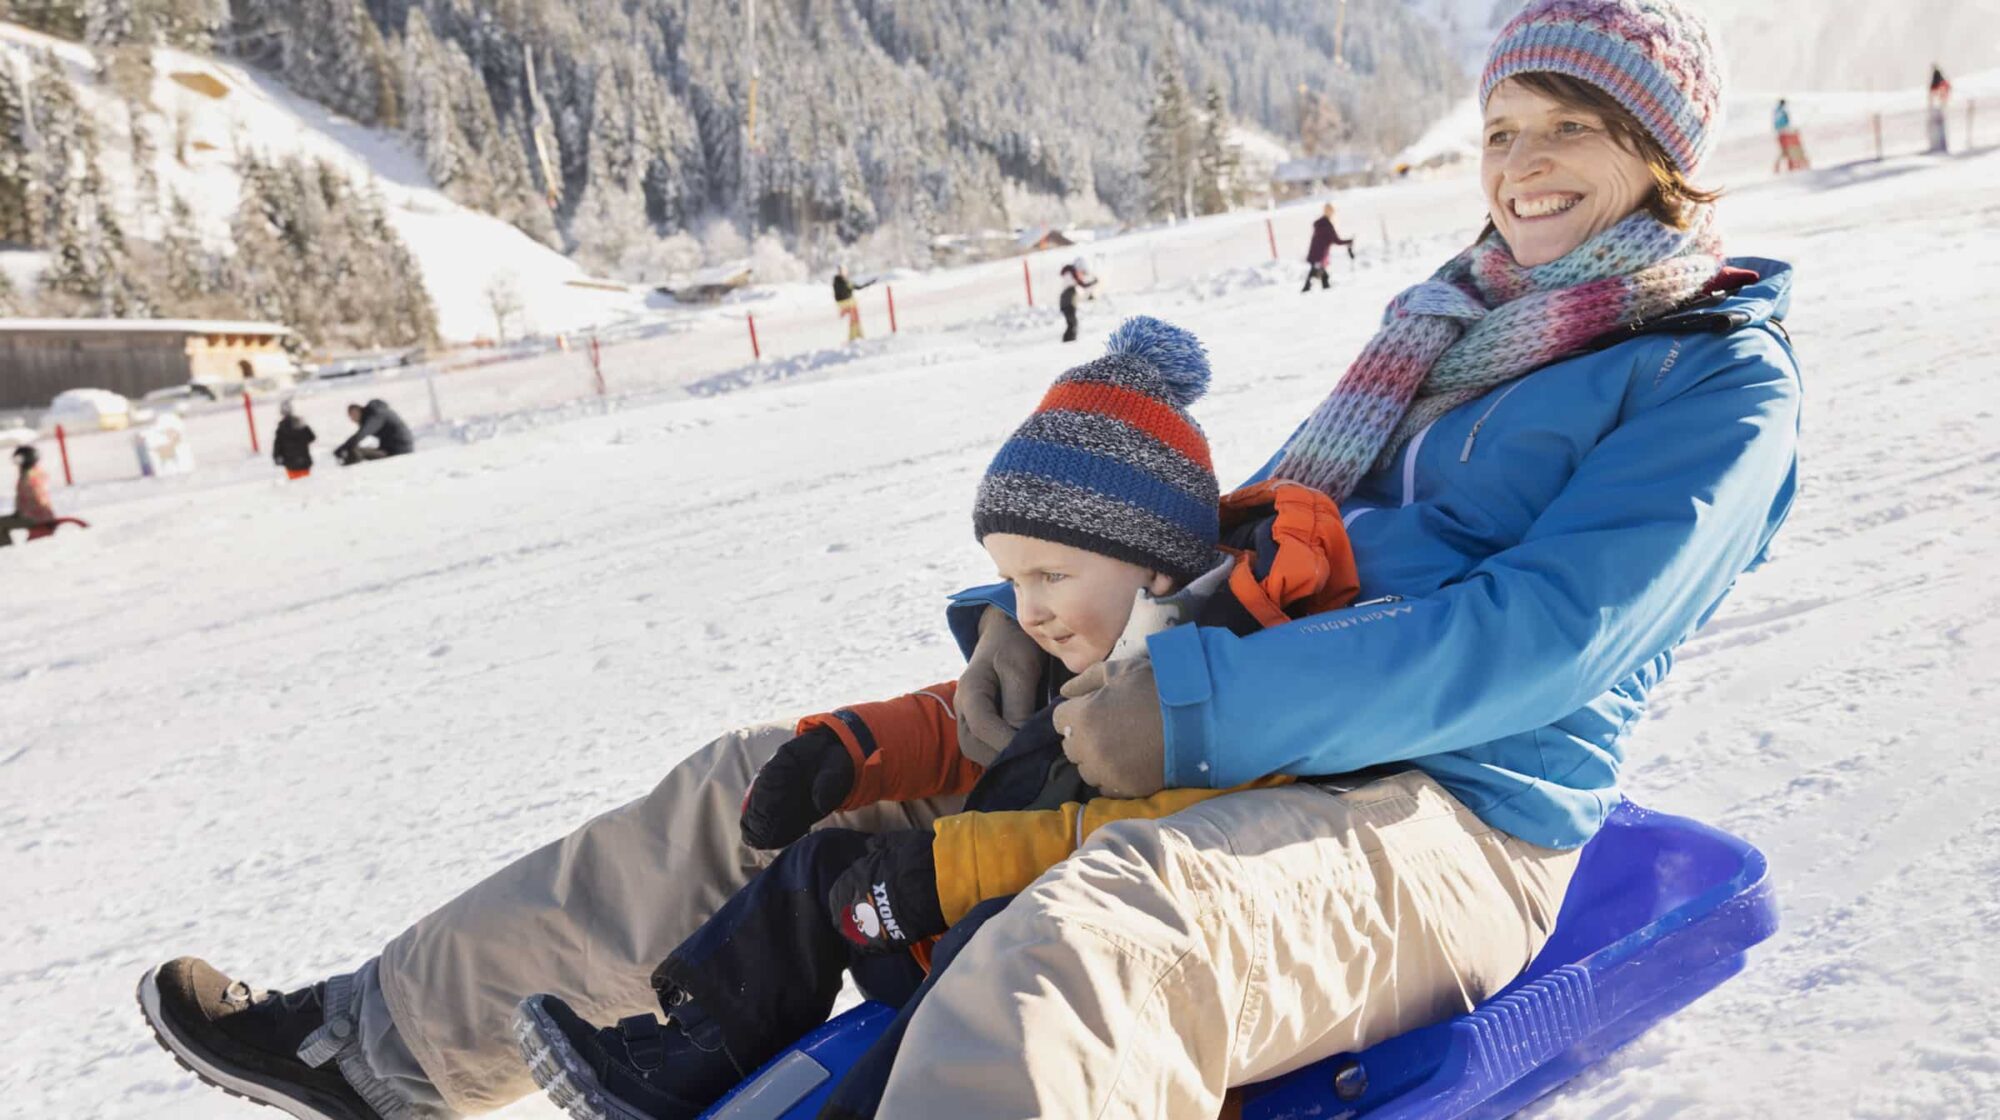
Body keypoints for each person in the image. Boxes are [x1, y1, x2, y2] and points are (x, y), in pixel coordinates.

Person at [136, 2, 1803, 1116]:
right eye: (1501, 128)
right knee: (766, 785)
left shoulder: (1714, 376)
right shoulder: (1454, 325)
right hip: (1254, 722)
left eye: (1567, 130)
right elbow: (1287, 540)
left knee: (1086, 945)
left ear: (1659, 154)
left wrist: (1195, 708)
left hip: (1451, 821)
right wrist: (1063, 632)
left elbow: (1536, 640)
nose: (1519, 170)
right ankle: (384, 1047)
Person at [509, 319, 1361, 1120]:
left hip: (1069, 966)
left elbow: (1171, 843)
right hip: (936, 910)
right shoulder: (1096, 642)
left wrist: (942, 874)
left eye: (1050, 577)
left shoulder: (1235, 676)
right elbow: (971, 724)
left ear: (1158, 563)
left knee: (995, 947)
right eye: (1012, 581)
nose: (1027, 612)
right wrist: (845, 752)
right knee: (818, 868)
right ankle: (677, 1063)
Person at [0, 444, 55, 547]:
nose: (16, 463)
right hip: (43, 515)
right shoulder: (38, 472)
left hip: (35, 517)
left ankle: (6, 549)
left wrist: (22, 513)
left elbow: (33, 496)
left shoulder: (27, 476)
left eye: (18, 460)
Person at [333, 400, 413, 466]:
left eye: (352, 415)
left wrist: (343, 448)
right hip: (394, 447)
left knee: (355, 451)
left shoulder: (376, 415)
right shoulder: (376, 413)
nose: (352, 419)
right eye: (350, 417)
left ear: (358, 410)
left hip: (400, 450)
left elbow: (362, 434)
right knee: (356, 449)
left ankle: (347, 471)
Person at [1302, 202, 1356, 290]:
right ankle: (1310, 292)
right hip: (1319, 256)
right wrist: (1349, 241)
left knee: (1321, 276)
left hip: (1315, 254)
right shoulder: (1327, 225)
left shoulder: (1320, 224)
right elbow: (1337, 241)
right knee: (1317, 275)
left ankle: (1320, 291)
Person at [273, 400, 317, 480]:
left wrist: (277, 456)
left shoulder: (281, 428)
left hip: (290, 462)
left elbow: (277, 445)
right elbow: (312, 437)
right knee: (306, 483)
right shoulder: (300, 423)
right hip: (304, 460)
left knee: (295, 484)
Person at [832, 265, 874, 343]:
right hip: (846, 304)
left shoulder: (843, 281)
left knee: (854, 320)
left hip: (849, 304)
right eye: (841, 271)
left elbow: (856, 287)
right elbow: (846, 290)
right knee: (854, 319)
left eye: (844, 271)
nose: (843, 272)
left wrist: (868, 284)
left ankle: (857, 336)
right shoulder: (839, 281)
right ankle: (855, 337)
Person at [1057, 259, 1096, 342]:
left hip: (1066, 302)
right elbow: (1082, 284)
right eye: (1082, 272)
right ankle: (1069, 342)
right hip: (1068, 303)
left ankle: (1069, 340)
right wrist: (1093, 282)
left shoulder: (1070, 275)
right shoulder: (1072, 274)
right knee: (1073, 324)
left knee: (1072, 323)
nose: (1082, 274)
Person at [1772, 98, 1809, 173]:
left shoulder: (1777, 111)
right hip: (1784, 132)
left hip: (1781, 133)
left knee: (1785, 152)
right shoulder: (1781, 111)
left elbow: (1777, 122)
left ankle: (1780, 168)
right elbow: (1784, 121)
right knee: (1789, 152)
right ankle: (1790, 167)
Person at [1927, 64, 1952, 154]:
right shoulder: (1942, 81)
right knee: (1941, 127)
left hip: (1938, 107)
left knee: (1938, 128)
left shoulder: (1938, 82)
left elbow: (1933, 93)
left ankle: (1939, 146)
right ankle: (1941, 145)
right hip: (1940, 106)